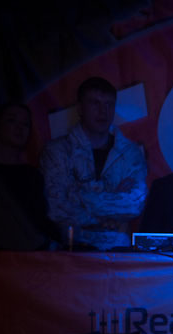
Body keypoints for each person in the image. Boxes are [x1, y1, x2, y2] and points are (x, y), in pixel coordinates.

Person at [40, 76, 147, 250]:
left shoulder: (130, 153)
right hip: (71, 250)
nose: (103, 111)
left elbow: (134, 205)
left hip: (118, 252)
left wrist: (79, 194)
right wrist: (112, 206)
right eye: (95, 103)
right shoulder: (57, 151)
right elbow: (57, 207)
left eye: (109, 104)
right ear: (80, 108)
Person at [0, 102, 58, 246]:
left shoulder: (32, 176)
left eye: (25, 124)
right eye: (11, 120)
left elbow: (39, 220)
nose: (19, 128)